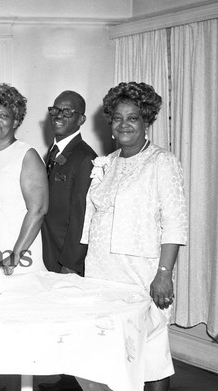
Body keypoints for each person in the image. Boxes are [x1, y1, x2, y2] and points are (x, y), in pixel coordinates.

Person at [79, 82, 188, 391]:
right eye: (117, 117)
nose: (124, 124)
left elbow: (176, 222)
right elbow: (93, 220)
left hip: (141, 272)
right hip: (101, 271)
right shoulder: (107, 163)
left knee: (151, 354)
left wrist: (163, 273)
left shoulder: (161, 162)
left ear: (146, 121)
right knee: (109, 353)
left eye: (133, 118)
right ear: (110, 124)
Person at [0, 83, 48, 275]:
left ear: (15, 121)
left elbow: (38, 210)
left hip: (17, 255)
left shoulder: (26, 155)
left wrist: (15, 255)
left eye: (3, 115)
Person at [41, 91, 97, 276]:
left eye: (67, 112)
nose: (58, 115)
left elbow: (83, 218)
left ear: (81, 119)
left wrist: (71, 264)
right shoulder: (52, 151)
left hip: (66, 260)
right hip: (49, 252)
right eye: (55, 110)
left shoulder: (85, 158)